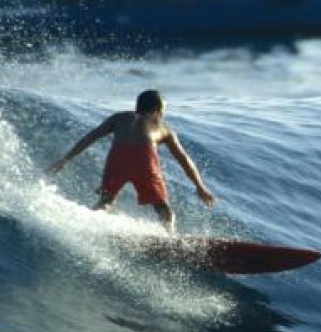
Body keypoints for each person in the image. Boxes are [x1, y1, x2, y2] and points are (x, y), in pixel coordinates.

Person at [46, 90, 216, 233]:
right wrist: (200, 187)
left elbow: (90, 137)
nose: (164, 115)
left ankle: (87, 225)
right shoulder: (162, 128)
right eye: (164, 110)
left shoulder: (119, 118)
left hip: (117, 159)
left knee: (105, 202)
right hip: (144, 161)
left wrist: (65, 159)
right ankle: (170, 238)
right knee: (163, 209)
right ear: (156, 110)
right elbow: (183, 159)